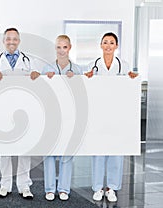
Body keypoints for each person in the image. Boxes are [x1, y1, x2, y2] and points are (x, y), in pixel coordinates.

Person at [84, 32, 138, 202]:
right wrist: (87, 78)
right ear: (100, 45)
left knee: (116, 151)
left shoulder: (124, 65)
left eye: (112, 42)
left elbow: (128, 89)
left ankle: (112, 188)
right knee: (98, 152)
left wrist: (132, 78)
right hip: (98, 115)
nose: (108, 45)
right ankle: (98, 187)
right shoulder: (92, 65)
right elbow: (87, 89)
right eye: (105, 42)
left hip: (117, 115)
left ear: (116, 46)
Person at [0, 28, 40, 200]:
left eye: (15, 39)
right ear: (3, 41)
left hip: (24, 109)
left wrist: (35, 75)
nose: (11, 41)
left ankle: (25, 186)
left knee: (25, 150)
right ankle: (5, 185)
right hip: (3, 109)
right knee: (5, 150)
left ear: (19, 41)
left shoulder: (29, 60)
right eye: (8, 39)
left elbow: (37, 83)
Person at [41, 35, 82, 201]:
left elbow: (81, 95)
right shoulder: (47, 68)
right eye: (59, 47)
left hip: (70, 117)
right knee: (49, 153)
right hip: (52, 116)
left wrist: (76, 80)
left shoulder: (77, 69)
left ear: (70, 48)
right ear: (55, 48)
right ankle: (50, 189)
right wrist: (46, 79)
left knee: (67, 153)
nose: (61, 50)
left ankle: (64, 189)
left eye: (64, 47)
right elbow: (41, 92)